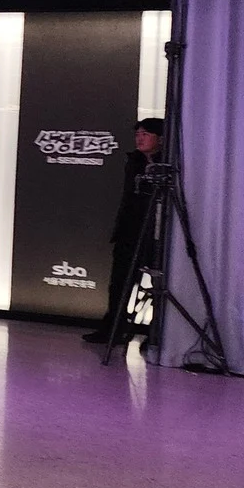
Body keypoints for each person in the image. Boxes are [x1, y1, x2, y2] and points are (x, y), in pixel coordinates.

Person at [85, 117, 166, 344]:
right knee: (119, 283)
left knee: (159, 285)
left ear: (161, 138)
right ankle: (112, 330)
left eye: (145, 134)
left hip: (157, 233)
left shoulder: (166, 165)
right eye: (137, 134)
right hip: (129, 231)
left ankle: (156, 333)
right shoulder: (133, 161)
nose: (139, 138)